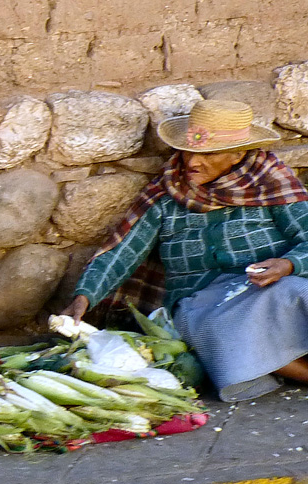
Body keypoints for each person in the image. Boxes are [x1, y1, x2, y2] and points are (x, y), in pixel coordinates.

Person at [63, 99, 308, 402]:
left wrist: (288, 264)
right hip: (202, 303)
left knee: (298, 293)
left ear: (237, 154)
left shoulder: (270, 183)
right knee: (220, 329)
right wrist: (85, 295)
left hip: (270, 286)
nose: (192, 162)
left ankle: (264, 361)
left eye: (208, 154)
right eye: (188, 151)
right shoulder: (166, 195)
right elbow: (122, 252)